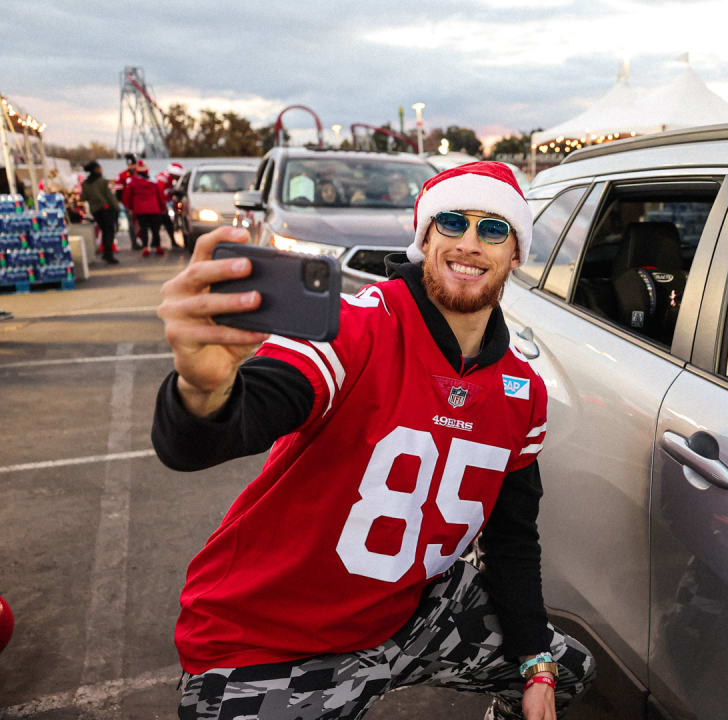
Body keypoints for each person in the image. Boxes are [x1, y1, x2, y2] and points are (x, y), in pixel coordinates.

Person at [153, 161, 594, 720]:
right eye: (452, 222)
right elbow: (211, 434)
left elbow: (511, 538)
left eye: (494, 229)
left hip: (408, 610)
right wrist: (203, 390)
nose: (469, 243)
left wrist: (535, 664)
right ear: (424, 239)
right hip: (269, 639)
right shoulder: (357, 327)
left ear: (515, 254)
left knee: (567, 670)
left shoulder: (521, 391)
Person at [81, 161, 122, 265]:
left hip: (95, 211)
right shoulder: (103, 181)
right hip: (107, 210)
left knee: (104, 231)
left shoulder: (85, 183)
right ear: (96, 169)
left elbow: (83, 197)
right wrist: (117, 208)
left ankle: (106, 253)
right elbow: (111, 197)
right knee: (109, 232)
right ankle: (109, 255)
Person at [123, 168, 167, 256]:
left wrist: (130, 207)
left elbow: (127, 196)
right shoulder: (153, 182)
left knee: (143, 229)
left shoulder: (132, 182)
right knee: (155, 229)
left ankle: (145, 247)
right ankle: (158, 246)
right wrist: (162, 208)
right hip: (154, 209)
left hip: (140, 210)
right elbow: (160, 196)